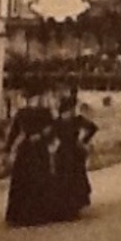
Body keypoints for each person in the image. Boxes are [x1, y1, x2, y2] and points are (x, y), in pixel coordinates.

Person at [5, 90, 55, 227]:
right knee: (38, 179)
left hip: (26, 150)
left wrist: (9, 149)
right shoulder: (45, 113)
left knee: (24, 180)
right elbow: (52, 130)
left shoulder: (22, 113)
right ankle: (39, 214)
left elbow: (14, 133)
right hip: (38, 150)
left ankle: (20, 215)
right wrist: (43, 138)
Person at [48, 86, 98, 221]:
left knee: (74, 179)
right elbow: (51, 136)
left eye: (69, 111)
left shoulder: (75, 120)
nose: (68, 114)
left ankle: (74, 207)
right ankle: (65, 208)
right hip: (64, 152)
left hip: (73, 152)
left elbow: (93, 128)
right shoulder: (58, 122)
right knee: (64, 179)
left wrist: (83, 140)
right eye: (66, 112)